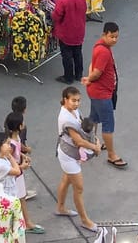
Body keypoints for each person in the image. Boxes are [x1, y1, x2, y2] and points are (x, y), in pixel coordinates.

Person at [55, 86, 100, 232]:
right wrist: (95, 147)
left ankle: (60, 207)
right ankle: (85, 221)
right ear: (65, 100)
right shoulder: (65, 118)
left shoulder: (73, 111)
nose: (76, 104)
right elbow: (79, 141)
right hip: (69, 156)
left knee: (66, 180)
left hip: (68, 152)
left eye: (78, 101)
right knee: (79, 188)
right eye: (73, 100)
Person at [81, 22, 126, 168]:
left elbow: (92, 66)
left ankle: (88, 141)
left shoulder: (100, 47)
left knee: (94, 117)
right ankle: (111, 155)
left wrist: (89, 78)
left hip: (97, 92)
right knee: (108, 124)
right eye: (112, 36)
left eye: (116, 37)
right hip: (102, 94)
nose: (114, 40)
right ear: (104, 34)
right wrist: (90, 78)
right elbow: (97, 71)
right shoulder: (104, 51)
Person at [5, 112, 44, 235]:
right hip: (15, 175)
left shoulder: (15, 138)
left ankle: (25, 222)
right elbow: (8, 161)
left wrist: (22, 155)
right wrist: (22, 166)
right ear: (20, 126)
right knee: (16, 199)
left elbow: (17, 150)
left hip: (18, 173)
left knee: (21, 198)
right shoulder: (10, 144)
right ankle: (25, 223)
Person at [52, 0, 87, 84]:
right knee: (78, 53)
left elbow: (57, 16)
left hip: (66, 32)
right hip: (79, 30)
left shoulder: (62, 0)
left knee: (67, 55)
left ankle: (68, 77)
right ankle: (78, 74)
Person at [0, 131, 26, 198]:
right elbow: (17, 171)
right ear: (0, 146)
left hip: (9, 192)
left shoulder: (2, 158)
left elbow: (11, 170)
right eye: (8, 144)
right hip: (6, 196)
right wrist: (10, 157)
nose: (10, 146)